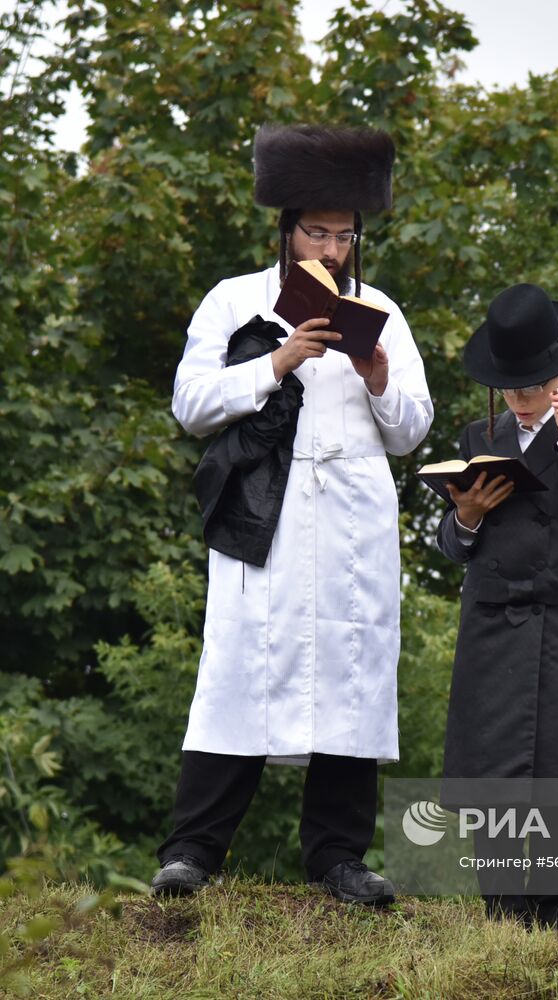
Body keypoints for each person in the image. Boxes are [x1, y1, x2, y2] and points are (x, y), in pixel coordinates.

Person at [150, 124, 433, 905]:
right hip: (262, 519)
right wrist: (276, 362)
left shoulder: (381, 309)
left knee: (352, 680)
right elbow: (190, 403)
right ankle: (193, 852)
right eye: (319, 231)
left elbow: (413, 430)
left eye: (345, 234)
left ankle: (339, 857)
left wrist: (375, 374)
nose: (333, 247)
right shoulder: (234, 298)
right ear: (286, 228)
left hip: (353, 522)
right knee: (239, 671)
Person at [436, 283, 558, 934]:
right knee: (492, 764)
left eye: (534, 387)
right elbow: (452, 545)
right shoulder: (475, 435)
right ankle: (500, 910)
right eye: (511, 389)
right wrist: (465, 515)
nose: (521, 401)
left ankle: (557, 912)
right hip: (491, 616)